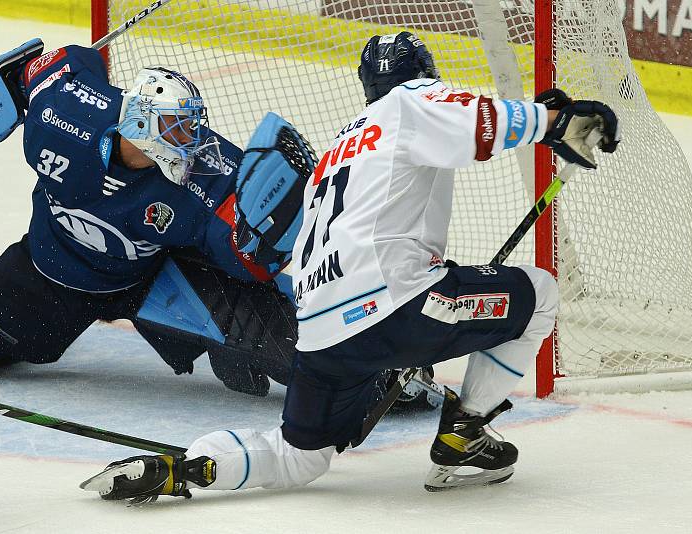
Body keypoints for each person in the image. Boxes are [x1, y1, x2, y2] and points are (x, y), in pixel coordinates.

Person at [81, 31, 620, 501]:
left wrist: (542, 121)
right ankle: (463, 431)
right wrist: (555, 119)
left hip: (317, 336)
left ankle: (190, 466)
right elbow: (477, 122)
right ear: (426, 77)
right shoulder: (411, 100)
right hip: (397, 305)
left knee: (300, 458)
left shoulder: (343, 144)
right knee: (541, 293)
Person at [0, 38, 303, 413]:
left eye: (191, 125)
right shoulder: (62, 112)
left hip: (151, 277)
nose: (191, 139)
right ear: (139, 124)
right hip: (53, 271)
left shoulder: (209, 171)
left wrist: (265, 243)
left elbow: (245, 255)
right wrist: (10, 82)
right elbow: (66, 63)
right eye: (175, 126)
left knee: (291, 351)